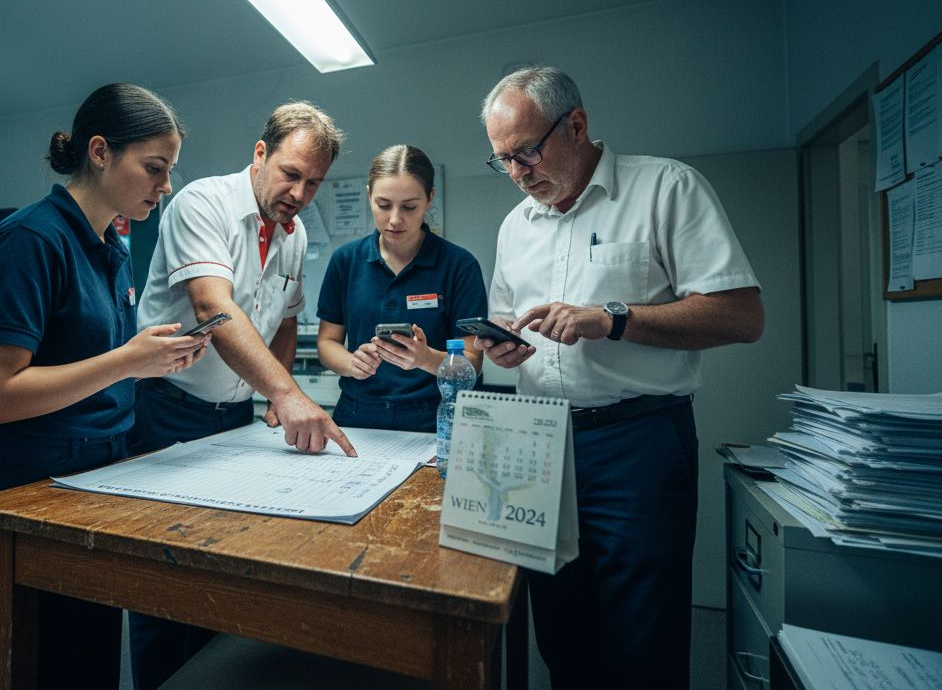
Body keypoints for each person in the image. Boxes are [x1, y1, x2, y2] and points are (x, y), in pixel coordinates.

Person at [475, 66, 764, 689]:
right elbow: (506, 317)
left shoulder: (665, 188)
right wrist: (502, 346)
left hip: (638, 444)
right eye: (503, 160)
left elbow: (742, 316)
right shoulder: (515, 225)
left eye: (527, 152)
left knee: (643, 639)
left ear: (576, 126)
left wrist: (613, 319)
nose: (518, 173)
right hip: (540, 444)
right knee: (561, 633)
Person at [0, 83, 210, 690]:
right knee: (28, 672)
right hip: (15, 488)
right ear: (100, 151)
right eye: (154, 168)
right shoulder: (31, 240)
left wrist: (148, 362)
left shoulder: (110, 245)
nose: (165, 186)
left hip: (89, 482)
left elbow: (92, 365)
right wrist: (125, 361)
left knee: (87, 670)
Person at [126, 101, 356, 690]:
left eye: (313, 183)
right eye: (290, 174)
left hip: (231, 416)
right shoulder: (202, 203)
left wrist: (275, 399)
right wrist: (289, 392)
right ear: (260, 154)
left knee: (218, 566)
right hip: (165, 409)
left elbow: (286, 319)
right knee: (162, 575)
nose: (300, 193)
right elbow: (212, 304)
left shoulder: (295, 234)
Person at [316, 144, 486, 431]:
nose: (395, 219)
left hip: (432, 417)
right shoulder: (346, 261)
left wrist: (426, 358)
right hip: (357, 414)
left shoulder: (459, 265)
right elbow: (327, 343)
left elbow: (472, 362)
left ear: (430, 198)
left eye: (409, 207)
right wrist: (351, 363)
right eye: (383, 205)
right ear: (369, 195)